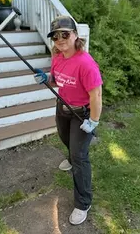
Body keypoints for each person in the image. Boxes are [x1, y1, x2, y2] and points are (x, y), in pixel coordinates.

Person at [33, 15, 103, 225]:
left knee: (80, 158)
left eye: (65, 34)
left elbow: (96, 95)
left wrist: (93, 120)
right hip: (62, 107)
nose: (60, 39)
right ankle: (72, 156)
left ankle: (83, 203)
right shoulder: (58, 57)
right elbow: (57, 80)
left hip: (81, 113)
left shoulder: (86, 63)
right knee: (65, 139)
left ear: (75, 35)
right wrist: (46, 78)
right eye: (55, 36)